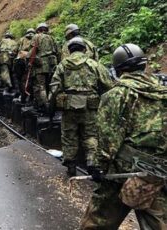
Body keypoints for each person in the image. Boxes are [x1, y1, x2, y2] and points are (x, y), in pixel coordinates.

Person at [80, 43, 167, 229]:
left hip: (122, 173)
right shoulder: (162, 93)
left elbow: (108, 139)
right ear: (144, 65)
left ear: (118, 70)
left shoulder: (117, 95)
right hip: (157, 174)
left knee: (97, 222)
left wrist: (99, 167)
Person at [48, 37, 113, 176]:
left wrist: (51, 107)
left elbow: (54, 88)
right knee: (91, 135)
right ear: (84, 49)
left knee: (69, 135)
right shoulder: (94, 64)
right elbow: (108, 85)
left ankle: (71, 165)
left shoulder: (62, 65)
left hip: (69, 107)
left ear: (69, 50)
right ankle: (91, 162)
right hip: (90, 107)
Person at [29, 23, 60, 111]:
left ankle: (45, 106)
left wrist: (29, 62)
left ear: (38, 30)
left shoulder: (36, 37)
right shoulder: (52, 38)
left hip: (40, 65)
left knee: (41, 86)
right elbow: (58, 52)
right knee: (51, 85)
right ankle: (52, 104)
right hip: (52, 65)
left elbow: (32, 51)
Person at [15, 28, 36, 102]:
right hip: (31, 60)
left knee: (20, 79)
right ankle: (30, 97)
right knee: (30, 79)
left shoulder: (22, 39)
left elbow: (16, 49)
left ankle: (23, 97)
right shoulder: (36, 38)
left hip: (20, 60)